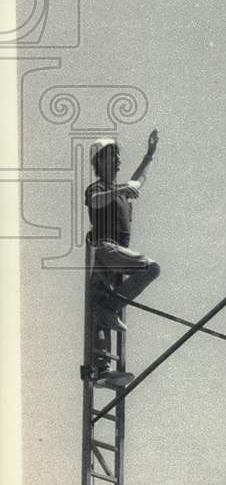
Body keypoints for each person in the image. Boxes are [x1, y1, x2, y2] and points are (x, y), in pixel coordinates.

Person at [85, 130, 160, 386]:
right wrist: (122, 188)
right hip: (106, 250)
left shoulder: (122, 191)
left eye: (118, 155)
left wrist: (149, 155)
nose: (118, 160)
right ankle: (109, 309)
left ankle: (102, 372)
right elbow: (95, 202)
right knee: (150, 268)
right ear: (100, 161)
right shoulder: (98, 188)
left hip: (112, 260)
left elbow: (138, 180)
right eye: (112, 156)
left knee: (101, 310)